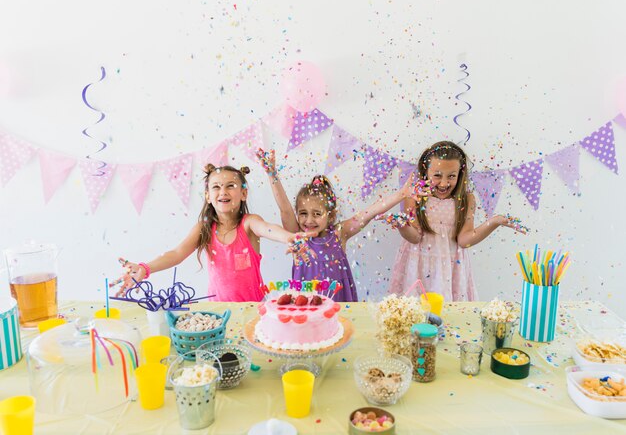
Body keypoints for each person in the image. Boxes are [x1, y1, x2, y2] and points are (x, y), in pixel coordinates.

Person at [113, 164, 316, 302]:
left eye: (231, 186)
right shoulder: (204, 228)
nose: (223, 192)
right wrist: (145, 268)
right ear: (208, 196)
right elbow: (176, 254)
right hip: (216, 310)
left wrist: (289, 237)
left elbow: (269, 229)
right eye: (216, 187)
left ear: (243, 194)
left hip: (253, 308)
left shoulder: (249, 223)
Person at [256, 148, 422, 302]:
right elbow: (284, 208)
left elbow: (369, 212)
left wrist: (402, 194)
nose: (309, 220)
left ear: (330, 216)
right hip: (305, 306)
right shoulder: (296, 236)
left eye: (317, 214)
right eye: (303, 213)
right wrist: (272, 175)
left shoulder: (339, 233)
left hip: (338, 303)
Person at [388, 141, 526, 301]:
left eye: (451, 176)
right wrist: (401, 226)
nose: (444, 183)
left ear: (460, 175)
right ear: (426, 171)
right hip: (419, 263)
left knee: (448, 315)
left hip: (450, 268)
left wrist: (495, 221)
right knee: (415, 311)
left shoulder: (467, 199)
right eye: (437, 175)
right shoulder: (415, 196)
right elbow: (415, 237)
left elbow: (465, 240)